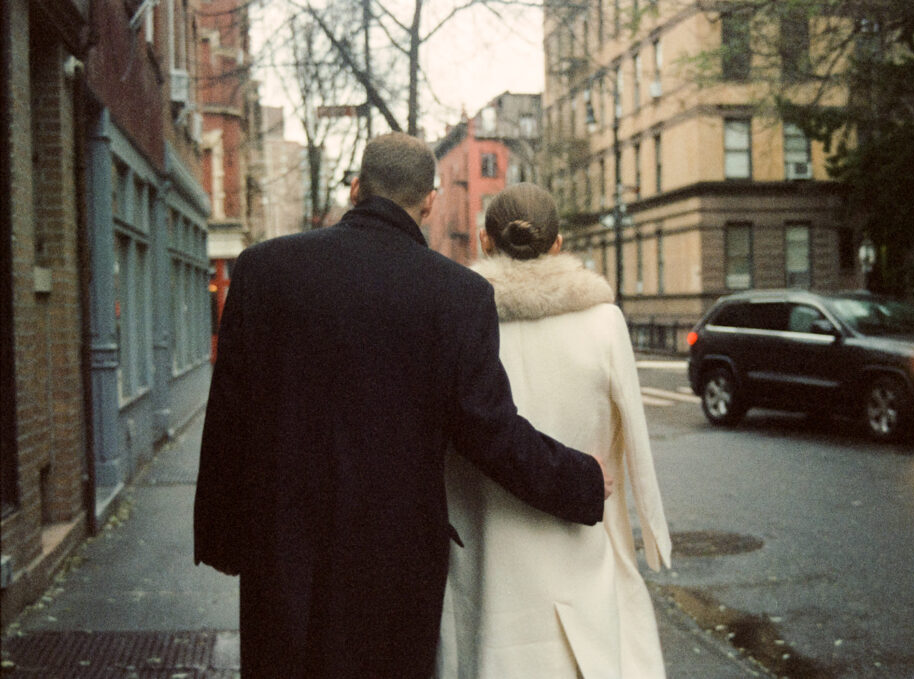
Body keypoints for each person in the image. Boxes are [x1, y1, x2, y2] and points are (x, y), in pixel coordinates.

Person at [193, 133, 611, 679]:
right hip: (393, 564)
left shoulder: (263, 270)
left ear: (356, 188)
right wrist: (579, 480)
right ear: (431, 200)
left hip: (283, 552)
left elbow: (229, 415)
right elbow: (490, 431)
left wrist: (225, 539)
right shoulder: (457, 295)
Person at [436, 183, 672, 679]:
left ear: (484, 241)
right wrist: (653, 531)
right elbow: (637, 441)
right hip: (578, 535)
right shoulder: (604, 323)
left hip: (485, 540)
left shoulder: (458, 324)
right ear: (559, 244)